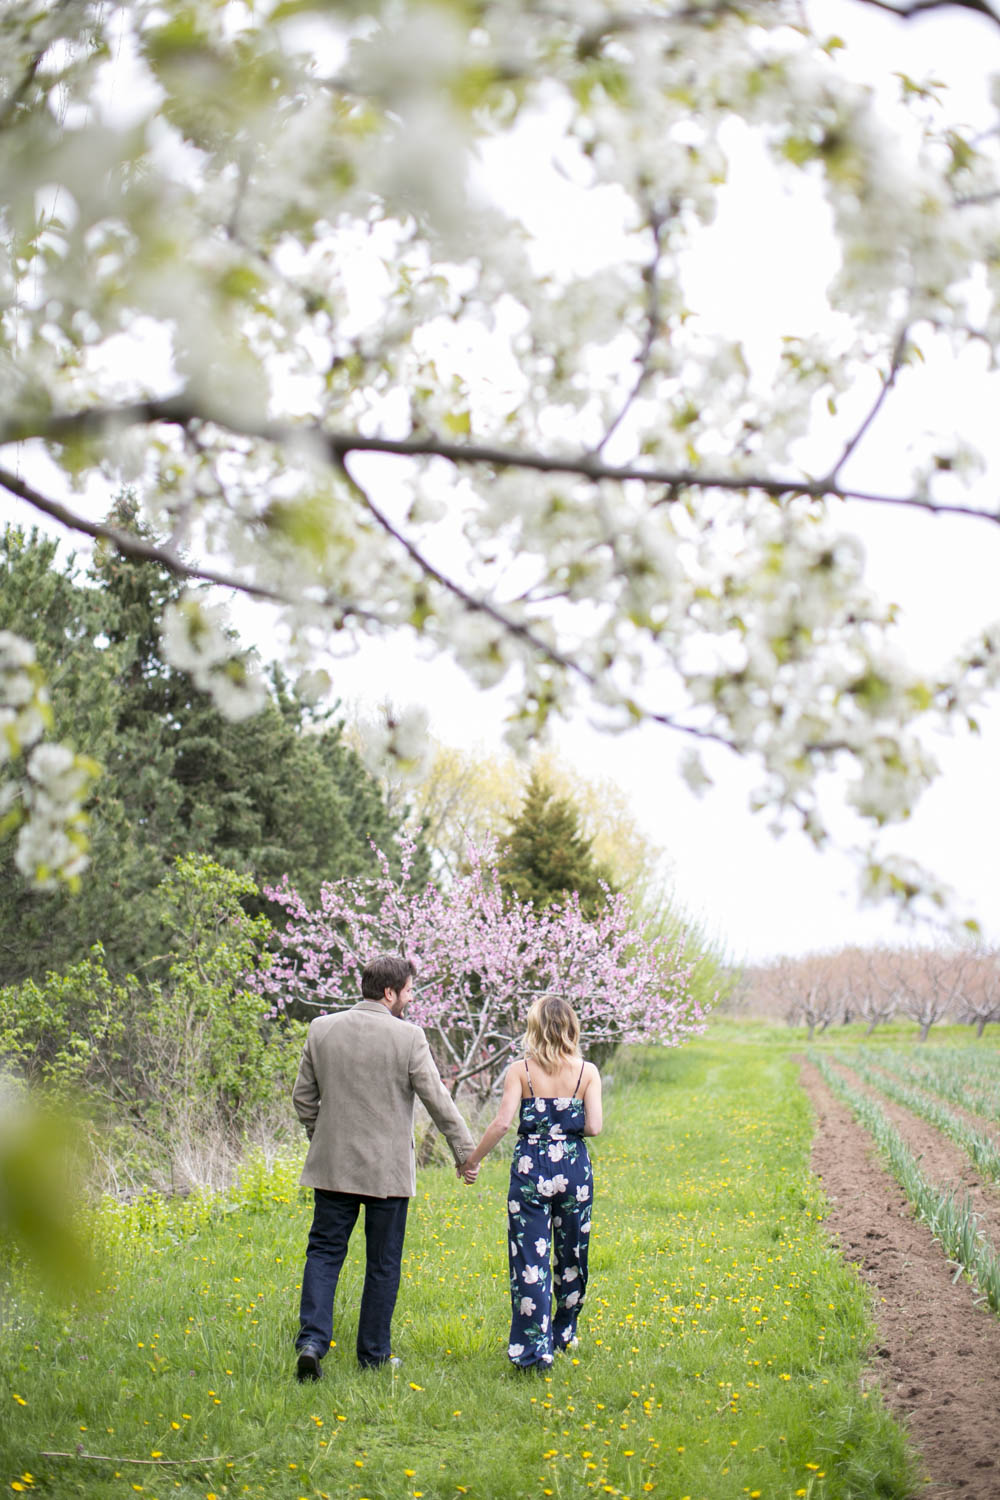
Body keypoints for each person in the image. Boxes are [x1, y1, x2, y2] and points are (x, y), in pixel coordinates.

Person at [291, 954, 478, 1382]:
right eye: (409, 991)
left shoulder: (322, 1029)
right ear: (390, 992)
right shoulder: (409, 1037)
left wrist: (321, 1136)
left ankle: (312, 1342)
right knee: (383, 1262)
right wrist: (464, 1152)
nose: (411, 999)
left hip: (332, 1167)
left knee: (323, 1254)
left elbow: (303, 1098)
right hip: (387, 1175)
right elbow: (438, 1100)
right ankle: (373, 1354)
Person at [459, 995, 602, 1369]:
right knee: (571, 1255)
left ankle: (533, 1351)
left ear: (534, 1028)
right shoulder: (588, 1072)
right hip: (574, 1171)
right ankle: (564, 1331)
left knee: (529, 1261)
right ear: (571, 1027)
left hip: (530, 1169)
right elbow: (594, 1127)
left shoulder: (519, 1071)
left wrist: (471, 1161)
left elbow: (502, 1123)